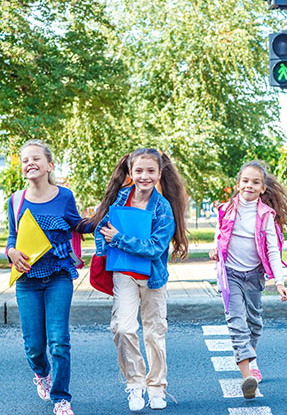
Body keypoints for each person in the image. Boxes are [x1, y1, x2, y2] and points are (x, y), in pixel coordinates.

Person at [86, 148, 188, 411]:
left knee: (155, 333)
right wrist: (103, 250)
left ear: (159, 174)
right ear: (130, 173)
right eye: (139, 171)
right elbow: (102, 228)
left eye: (150, 171)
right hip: (124, 273)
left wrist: (118, 239)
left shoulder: (163, 207)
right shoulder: (120, 199)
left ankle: (156, 388)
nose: (145, 176)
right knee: (123, 328)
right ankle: (135, 384)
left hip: (153, 276)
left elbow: (155, 248)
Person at [6, 139, 92, 415]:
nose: (30, 163)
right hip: (27, 281)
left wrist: (102, 216)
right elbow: (11, 237)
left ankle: (61, 398)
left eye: (36, 159)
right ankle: (41, 374)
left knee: (58, 340)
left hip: (58, 276)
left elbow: (78, 224)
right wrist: (10, 251)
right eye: (25, 160)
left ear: (49, 165)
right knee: (33, 346)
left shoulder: (64, 196)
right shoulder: (15, 200)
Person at [209, 160, 287, 400]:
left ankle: (252, 355)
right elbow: (219, 236)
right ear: (238, 184)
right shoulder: (225, 210)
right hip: (231, 275)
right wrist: (214, 250)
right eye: (245, 181)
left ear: (263, 188)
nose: (249, 185)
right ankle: (247, 376)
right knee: (237, 323)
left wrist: (279, 281)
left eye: (255, 182)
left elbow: (272, 249)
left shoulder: (266, 215)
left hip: (255, 275)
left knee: (254, 323)